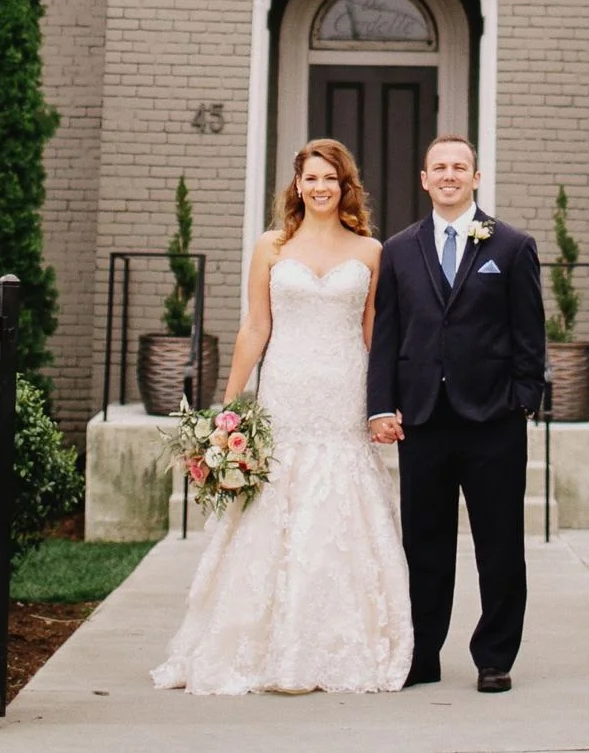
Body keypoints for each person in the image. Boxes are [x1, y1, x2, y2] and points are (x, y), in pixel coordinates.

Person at [151, 139, 411, 693]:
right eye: (310, 178)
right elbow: (255, 328)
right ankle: (263, 646)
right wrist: (228, 404)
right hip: (285, 393)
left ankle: (335, 645)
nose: (320, 187)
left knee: (340, 511)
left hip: (344, 392)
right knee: (274, 510)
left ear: (346, 187)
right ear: (296, 185)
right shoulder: (271, 246)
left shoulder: (370, 251)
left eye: (330, 179)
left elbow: (373, 333)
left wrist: (385, 400)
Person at [367, 133, 546, 694]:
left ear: (476, 177)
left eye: (459, 166)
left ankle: (494, 656)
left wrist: (522, 400)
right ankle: (424, 654)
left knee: (499, 545)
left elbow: (529, 334)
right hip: (422, 419)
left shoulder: (511, 246)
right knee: (425, 545)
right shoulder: (397, 250)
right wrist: (379, 406)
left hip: (493, 419)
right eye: (438, 167)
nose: (448, 174)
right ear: (424, 179)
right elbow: (388, 334)